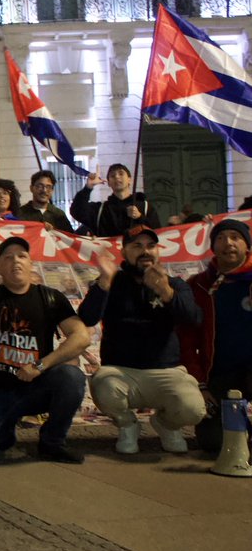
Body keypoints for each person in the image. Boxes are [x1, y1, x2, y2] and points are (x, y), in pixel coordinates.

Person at [0, 211, 92, 463]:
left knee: (71, 377)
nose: (16, 261)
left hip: (37, 386)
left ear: (31, 263)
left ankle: (52, 442)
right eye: (8, 257)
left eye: (22, 256)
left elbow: (81, 337)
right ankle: (5, 429)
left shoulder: (50, 298)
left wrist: (40, 366)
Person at [76, 226, 205, 454]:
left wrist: (166, 292)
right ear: (124, 252)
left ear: (158, 251)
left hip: (167, 371)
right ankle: (127, 424)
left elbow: (193, 318)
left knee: (193, 409)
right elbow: (86, 317)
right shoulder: (112, 282)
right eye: (137, 246)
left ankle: (165, 425)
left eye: (150, 246)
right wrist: (105, 282)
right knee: (104, 387)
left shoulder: (174, 284)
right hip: (121, 372)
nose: (145, 251)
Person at [178, 219, 252, 453]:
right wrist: (200, 384)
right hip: (219, 376)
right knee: (214, 444)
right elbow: (186, 341)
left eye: (235, 237)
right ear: (212, 246)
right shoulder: (198, 285)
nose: (228, 243)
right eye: (221, 238)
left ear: (247, 246)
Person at [71, 163, 160, 237]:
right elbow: (77, 211)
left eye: (121, 174)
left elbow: (158, 233)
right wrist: (88, 188)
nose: (117, 177)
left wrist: (140, 217)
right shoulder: (100, 210)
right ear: (109, 183)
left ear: (130, 179)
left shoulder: (145, 207)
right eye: (112, 176)